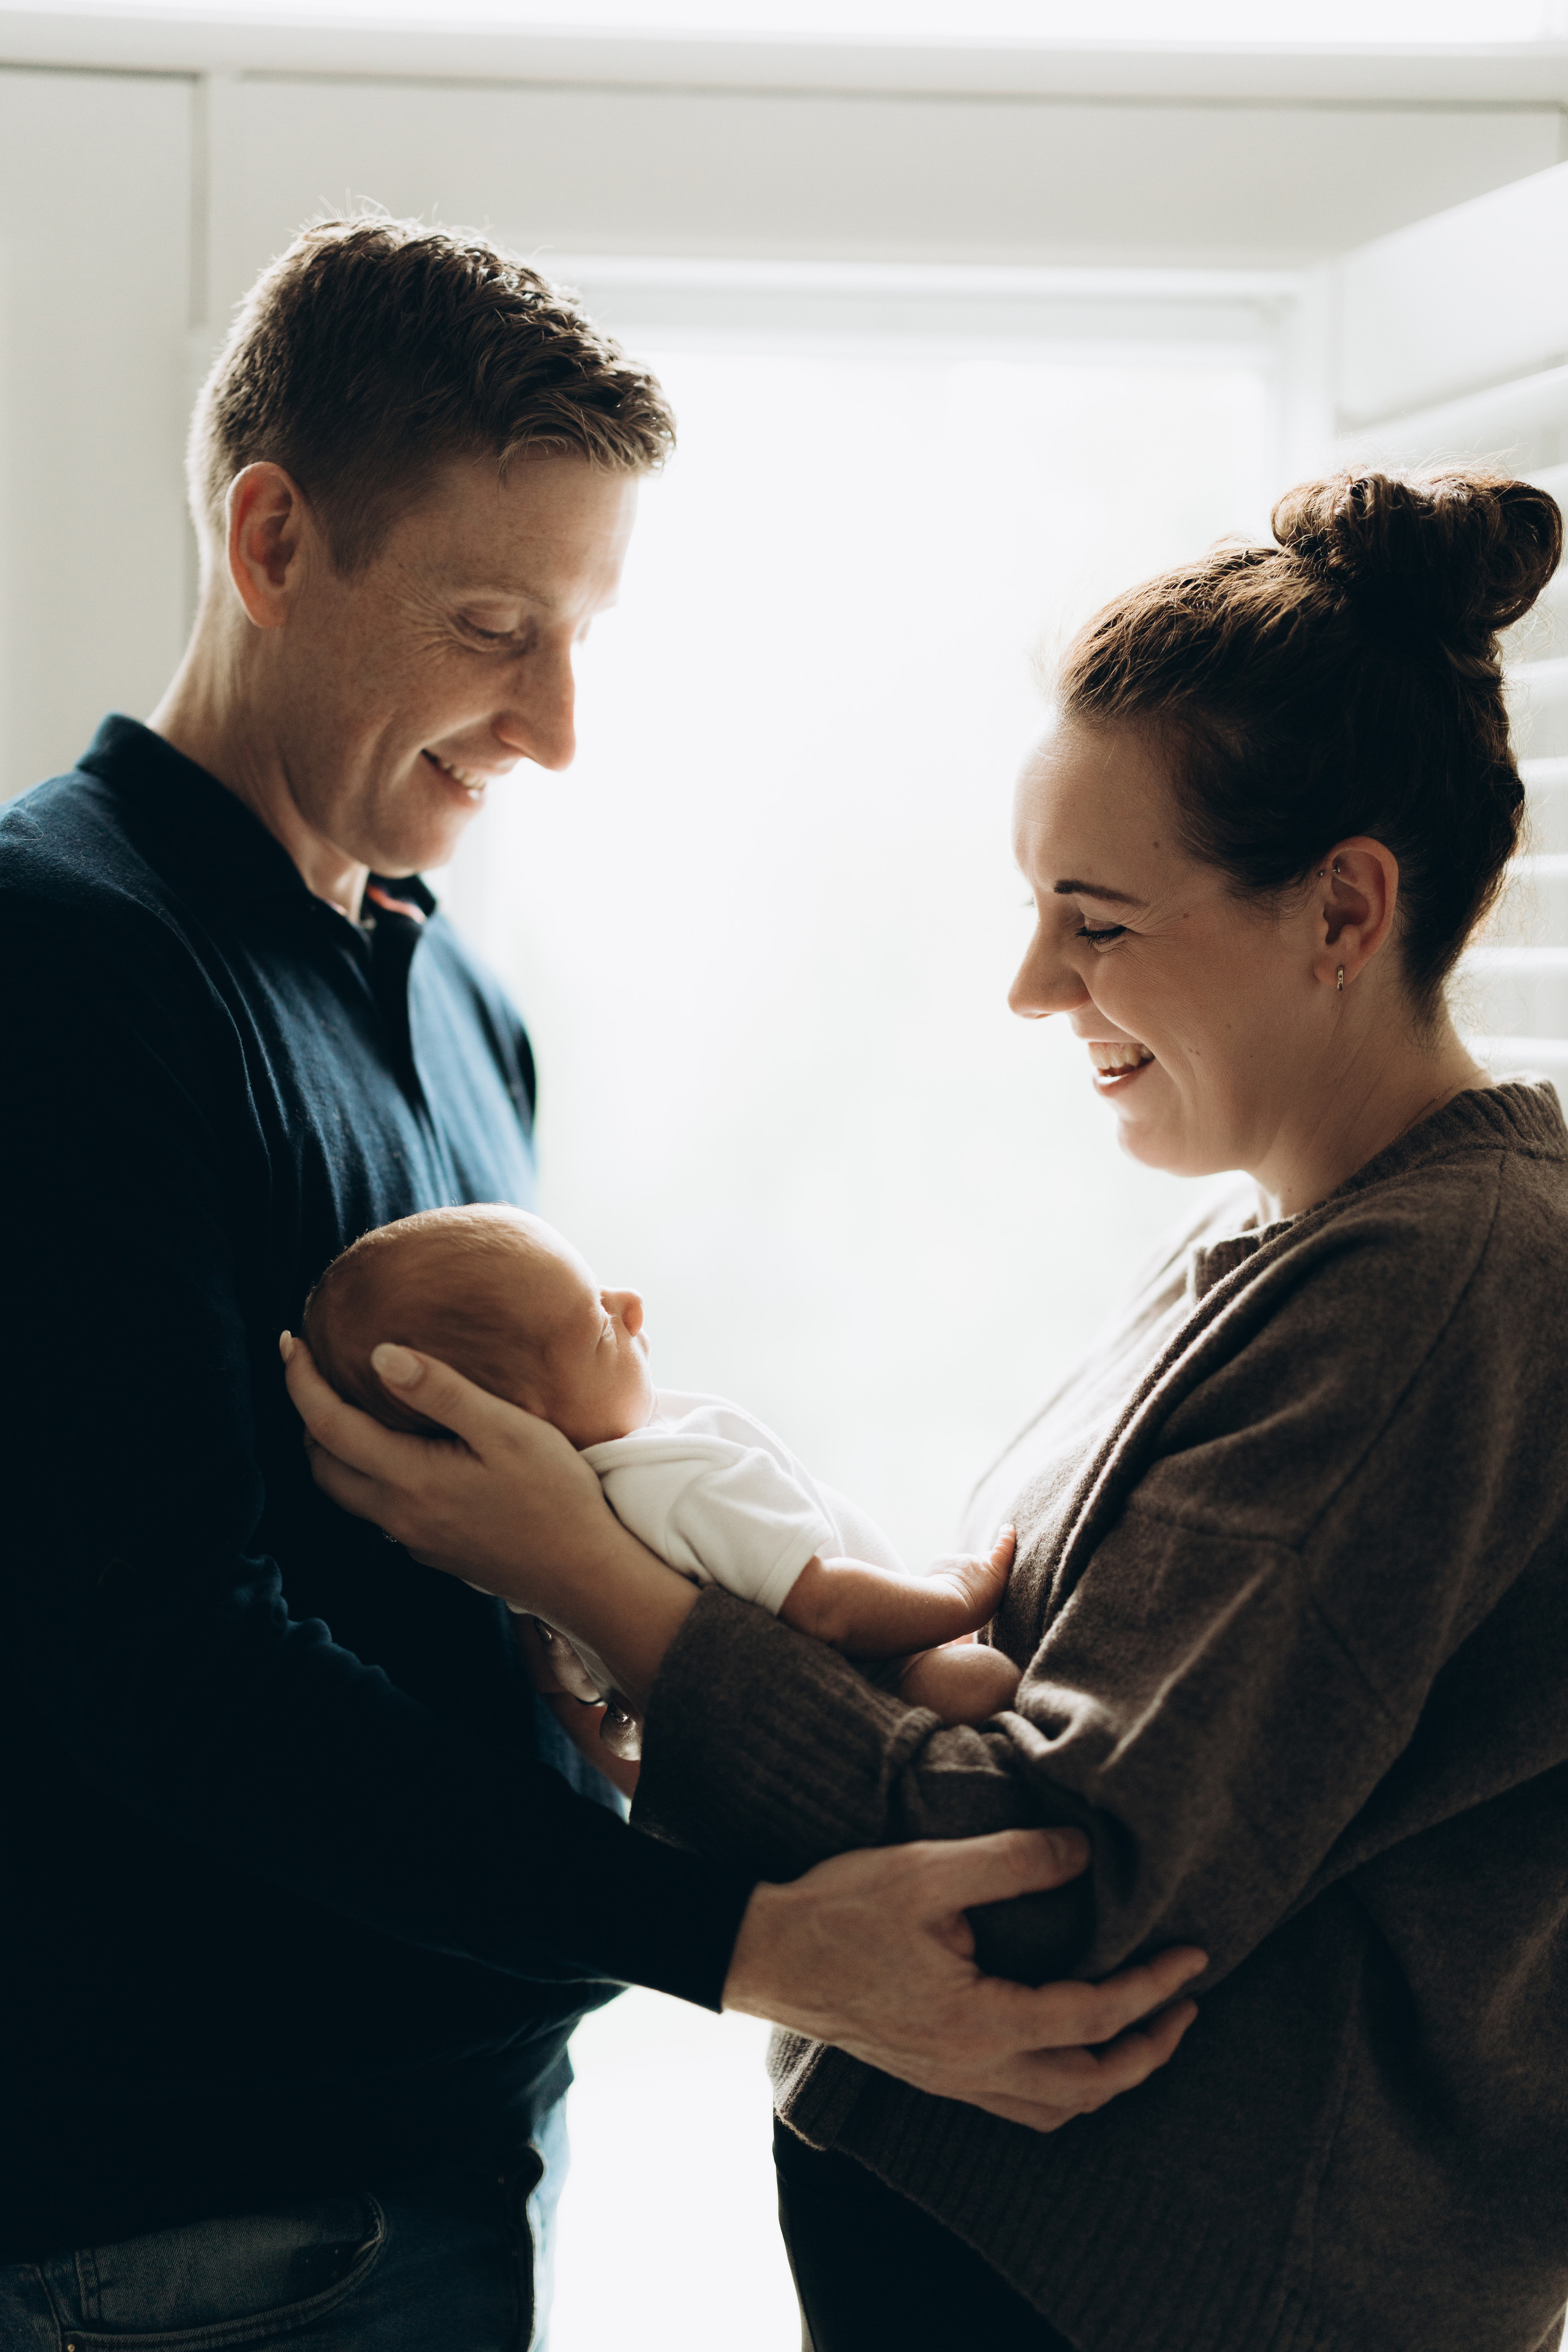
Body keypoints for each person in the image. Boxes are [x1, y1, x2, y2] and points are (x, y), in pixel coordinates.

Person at [0, 213, 1203, 2352]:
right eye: (490, 625)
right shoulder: (63, 964)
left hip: (448, 2149)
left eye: (581, 633)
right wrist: (752, 1941)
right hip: (200, 2220)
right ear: (274, 540)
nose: (552, 725)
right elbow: (154, 1657)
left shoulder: (461, 1000)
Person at [285, 464, 1568, 2351]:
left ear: (1343, 908)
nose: (1031, 981)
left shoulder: (1444, 1286)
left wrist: (602, 1575)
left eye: (1096, 918)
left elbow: (1048, 1883)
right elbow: (1030, 1724)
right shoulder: (1292, 1242)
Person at [303, 1202, 1023, 1729]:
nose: (631, 1306)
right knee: (980, 1680)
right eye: (596, 1326)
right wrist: (953, 1599)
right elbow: (826, 1607)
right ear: (519, 1423)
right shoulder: (669, 1481)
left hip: (740, 1740)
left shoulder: (520, 1547)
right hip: (879, 1684)